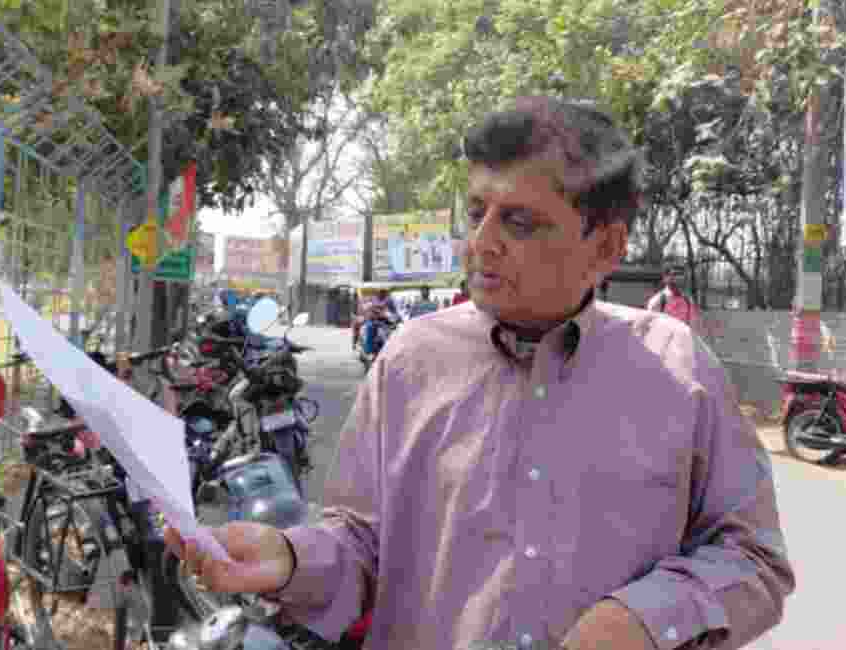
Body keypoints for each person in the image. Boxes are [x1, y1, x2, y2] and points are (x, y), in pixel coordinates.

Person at [169, 96, 793, 650]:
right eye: (476, 215)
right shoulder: (411, 359)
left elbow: (753, 559)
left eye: (519, 223)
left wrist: (643, 619)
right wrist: (286, 557)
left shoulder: (678, 369)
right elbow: (363, 545)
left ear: (605, 248)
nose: (482, 243)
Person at [647, 266, 704, 334]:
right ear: (665, 278)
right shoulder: (657, 301)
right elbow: (650, 327)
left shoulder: (688, 301)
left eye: (680, 274)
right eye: (674, 274)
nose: (677, 278)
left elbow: (692, 326)